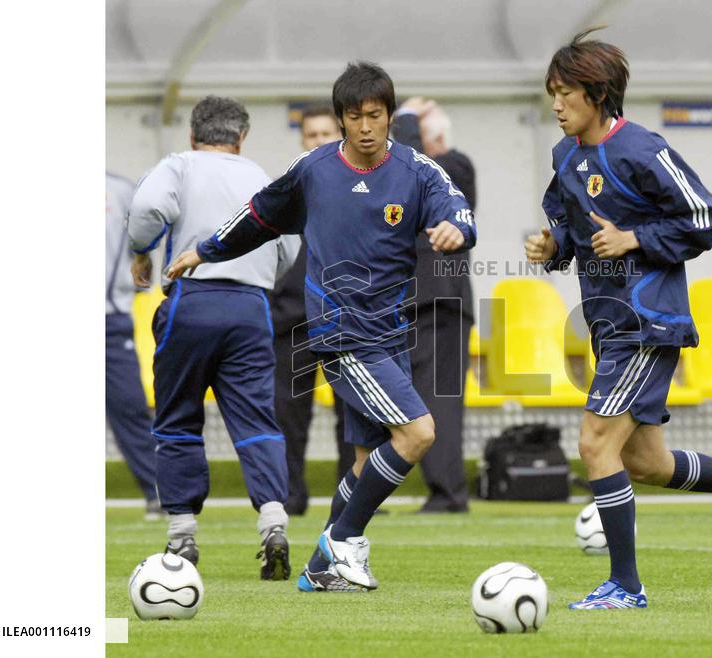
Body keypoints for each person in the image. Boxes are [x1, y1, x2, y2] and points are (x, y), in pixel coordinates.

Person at [166, 62, 477, 593]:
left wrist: (456, 229)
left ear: (390, 116)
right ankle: (344, 542)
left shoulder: (418, 170)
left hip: (391, 332)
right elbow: (257, 217)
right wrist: (206, 250)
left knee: (364, 458)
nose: (365, 127)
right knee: (418, 432)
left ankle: (319, 566)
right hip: (340, 331)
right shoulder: (313, 170)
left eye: (375, 115)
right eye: (354, 117)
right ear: (340, 119)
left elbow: (459, 210)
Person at [524, 29, 712, 610]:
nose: (557, 105)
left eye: (566, 94)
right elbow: (573, 228)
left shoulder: (641, 149)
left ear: (597, 94)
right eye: (553, 94)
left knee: (595, 442)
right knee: (646, 463)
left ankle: (625, 586)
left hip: (647, 322)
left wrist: (634, 238)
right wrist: (552, 247)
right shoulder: (565, 156)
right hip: (608, 324)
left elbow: (701, 217)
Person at [127, 95, 301, 580]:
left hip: (192, 299)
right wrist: (261, 272)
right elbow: (290, 244)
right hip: (251, 307)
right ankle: (273, 522)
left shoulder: (179, 165)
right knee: (257, 420)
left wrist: (141, 251)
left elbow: (147, 205)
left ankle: (182, 535)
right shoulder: (261, 176)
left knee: (179, 417)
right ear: (241, 137)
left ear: (192, 135)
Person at [391, 98, 476, 513]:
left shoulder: (456, 167)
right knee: (420, 400)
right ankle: (441, 490)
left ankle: (448, 492)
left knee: (440, 400)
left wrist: (406, 118)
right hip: (414, 304)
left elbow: (415, 170)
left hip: (441, 304)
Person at [268, 105, 352, 516]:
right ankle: (289, 497)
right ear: (303, 140)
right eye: (311, 135)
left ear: (339, 136)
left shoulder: (363, 188)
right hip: (291, 318)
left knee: (352, 415)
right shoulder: (286, 190)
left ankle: (352, 497)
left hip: (344, 317)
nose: (318, 141)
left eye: (325, 134)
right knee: (288, 414)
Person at [105, 171, 160, 520]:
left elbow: (143, 240)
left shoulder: (120, 189)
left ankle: (159, 491)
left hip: (110, 320)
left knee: (131, 407)